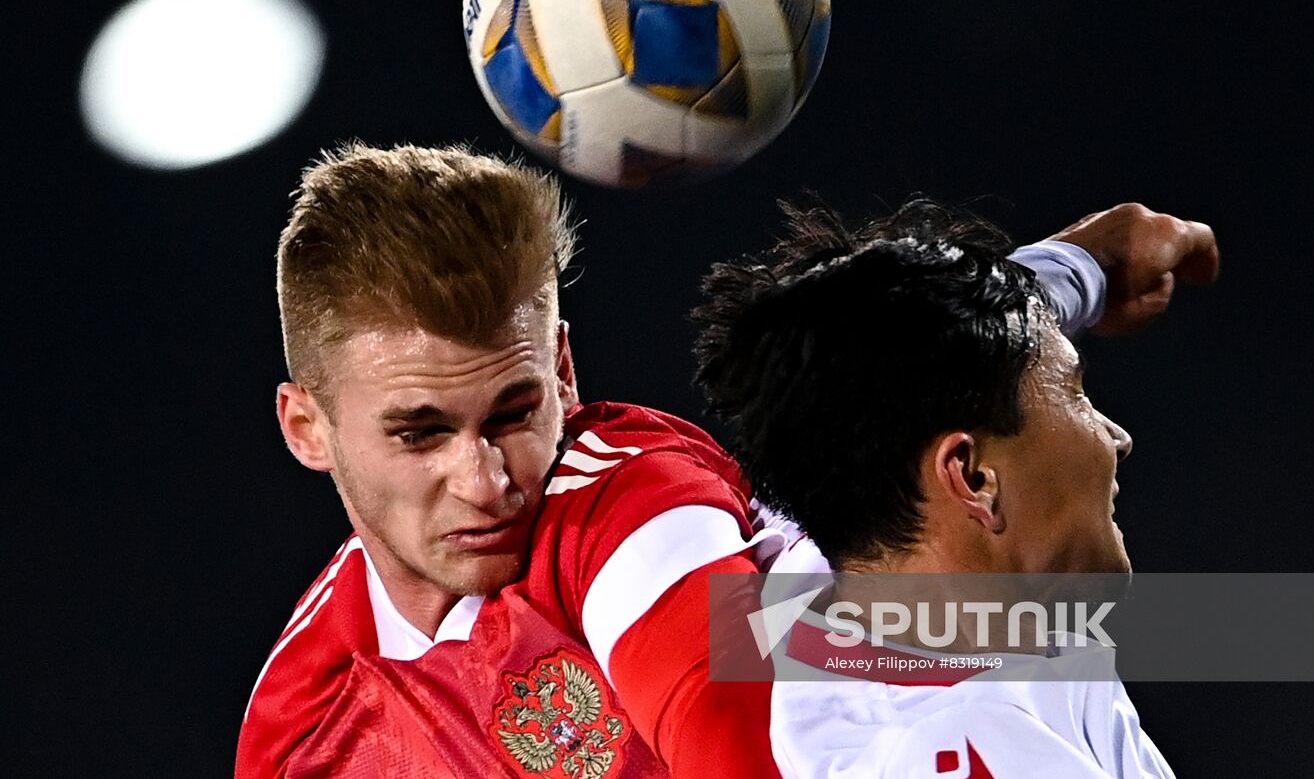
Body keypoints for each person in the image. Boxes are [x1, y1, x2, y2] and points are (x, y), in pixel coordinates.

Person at [237, 141, 1213, 778]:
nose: (487, 478)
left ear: (564, 370)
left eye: (513, 410)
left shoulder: (620, 499)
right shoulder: (304, 723)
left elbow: (739, 744)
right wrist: (1064, 273)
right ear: (306, 428)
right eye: (420, 433)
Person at [692, 198, 1217, 777]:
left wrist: (1084, 264)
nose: (1114, 437)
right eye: (1077, 394)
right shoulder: (965, 748)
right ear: (971, 478)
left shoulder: (841, 546)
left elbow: (901, 357)